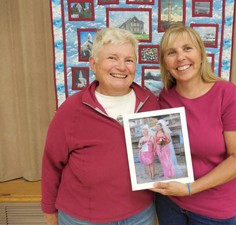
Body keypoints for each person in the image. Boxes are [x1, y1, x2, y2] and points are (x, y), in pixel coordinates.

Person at [41, 27, 160, 225]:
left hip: (140, 214)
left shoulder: (150, 103)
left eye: (129, 60)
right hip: (83, 218)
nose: (121, 67)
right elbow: (51, 164)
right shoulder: (71, 110)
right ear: (94, 64)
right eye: (112, 58)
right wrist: (49, 211)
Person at [151, 25, 236, 224]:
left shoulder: (226, 94)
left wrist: (190, 188)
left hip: (213, 209)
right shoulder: (165, 97)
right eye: (172, 52)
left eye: (187, 48)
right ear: (165, 62)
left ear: (200, 53)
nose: (180, 57)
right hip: (169, 202)